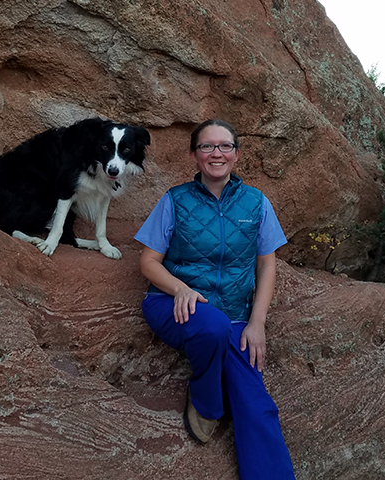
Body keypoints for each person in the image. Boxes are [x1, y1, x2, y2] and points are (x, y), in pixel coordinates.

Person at [134, 119, 295, 480]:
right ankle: (205, 401)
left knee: (257, 405)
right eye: (207, 146)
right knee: (212, 325)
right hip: (173, 304)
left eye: (224, 146)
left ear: (236, 155)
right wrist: (180, 288)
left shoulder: (256, 202)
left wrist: (257, 323)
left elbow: (267, 264)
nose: (216, 153)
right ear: (194, 155)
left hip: (236, 317)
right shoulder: (174, 200)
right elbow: (148, 262)